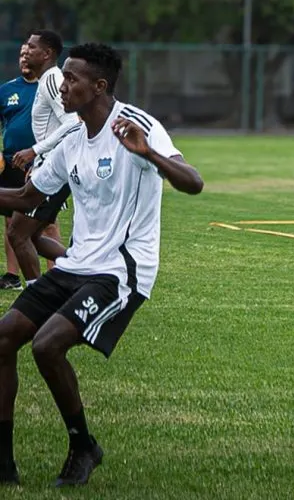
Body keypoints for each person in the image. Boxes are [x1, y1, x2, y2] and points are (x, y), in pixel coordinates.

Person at [0, 42, 204, 487]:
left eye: (71, 79)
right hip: (76, 266)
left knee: (46, 346)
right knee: (3, 338)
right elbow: (26, 197)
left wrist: (149, 154)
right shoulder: (72, 139)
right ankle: (2, 462)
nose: (62, 87)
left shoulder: (137, 125)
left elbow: (194, 182)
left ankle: (83, 446)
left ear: (99, 86)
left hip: (120, 271)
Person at [9, 31, 78, 284]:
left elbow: (73, 123)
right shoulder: (46, 79)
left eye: (32, 47)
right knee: (32, 236)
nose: (26, 50)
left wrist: (35, 151)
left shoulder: (52, 79)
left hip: (52, 169)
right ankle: (83, 271)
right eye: (25, 46)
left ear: (47, 54)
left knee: (18, 233)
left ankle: (36, 296)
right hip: (46, 166)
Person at [0, 48, 39, 290]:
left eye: (29, 53)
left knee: (47, 223)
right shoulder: (6, 90)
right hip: (11, 162)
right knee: (10, 221)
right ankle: (12, 276)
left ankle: (53, 275)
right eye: (21, 54)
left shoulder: (51, 88)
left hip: (41, 162)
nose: (24, 57)